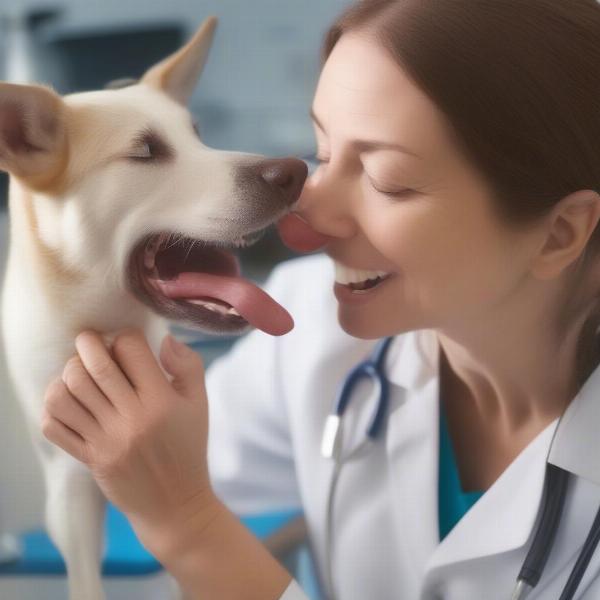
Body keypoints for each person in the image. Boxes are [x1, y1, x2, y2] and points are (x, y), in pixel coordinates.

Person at [40, 0, 600, 599]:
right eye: (325, 154)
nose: (305, 215)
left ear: (559, 233)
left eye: (387, 180)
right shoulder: (309, 323)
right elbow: (133, 463)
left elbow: (174, 497)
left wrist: (189, 528)